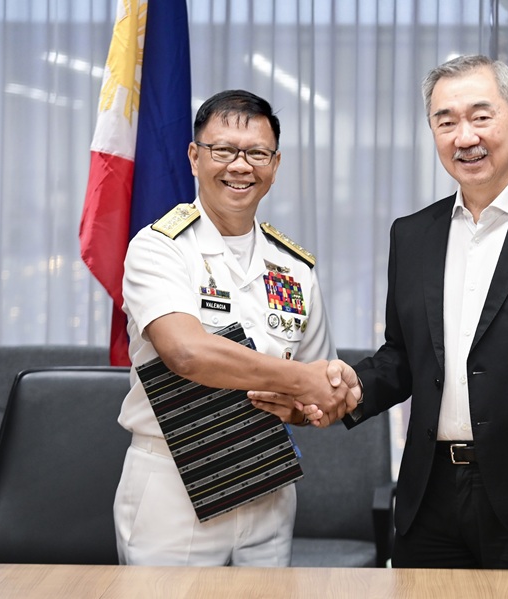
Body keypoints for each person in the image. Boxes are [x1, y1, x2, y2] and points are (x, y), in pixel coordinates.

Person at [268, 54, 508, 569]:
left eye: (480, 116)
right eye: (446, 121)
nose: (464, 136)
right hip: (428, 498)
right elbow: (402, 358)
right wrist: (347, 389)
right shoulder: (413, 234)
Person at [113, 89, 354, 567]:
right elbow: (187, 354)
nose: (240, 166)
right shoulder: (160, 248)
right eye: (223, 150)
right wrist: (301, 380)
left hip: (267, 483)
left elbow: (313, 396)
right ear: (195, 156)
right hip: (173, 484)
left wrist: (313, 402)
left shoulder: (295, 267)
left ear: (275, 163)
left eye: (257, 153)